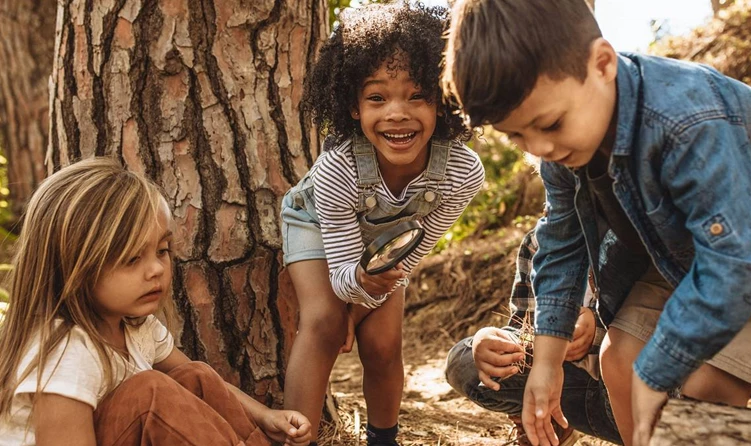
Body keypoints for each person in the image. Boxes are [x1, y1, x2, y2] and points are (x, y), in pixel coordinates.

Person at [441, 1, 751, 445]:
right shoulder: (562, 141)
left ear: (603, 64)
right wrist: (546, 367)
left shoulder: (687, 122)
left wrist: (660, 366)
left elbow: (737, 264)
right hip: (682, 257)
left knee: (706, 389)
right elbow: (562, 242)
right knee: (620, 360)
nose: (539, 148)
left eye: (548, 124)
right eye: (517, 136)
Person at [280, 3, 485, 445]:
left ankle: (383, 439)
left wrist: (365, 301)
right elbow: (339, 274)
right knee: (324, 323)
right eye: (377, 98)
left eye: (417, 95)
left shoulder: (462, 172)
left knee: (383, 344)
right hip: (316, 223)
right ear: (353, 107)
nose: (397, 113)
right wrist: (348, 308)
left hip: (389, 248)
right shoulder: (338, 170)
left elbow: (415, 248)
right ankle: (297, 437)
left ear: (443, 98)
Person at [0, 158, 312, 446]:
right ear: (72, 266)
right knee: (148, 394)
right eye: (132, 258)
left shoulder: (136, 327)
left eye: (162, 250)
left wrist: (265, 416)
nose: (157, 269)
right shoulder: (65, 353)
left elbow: (201, 381)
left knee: (196, 376)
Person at [445, 229, 622, 446]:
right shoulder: (539, 242)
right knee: (463, 361)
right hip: (572, 385)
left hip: (635, 394)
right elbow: (524, 328)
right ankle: (545, 424)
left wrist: (598, 332)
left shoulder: (640, 236)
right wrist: (492, 341)